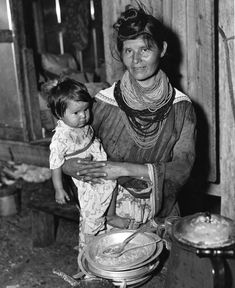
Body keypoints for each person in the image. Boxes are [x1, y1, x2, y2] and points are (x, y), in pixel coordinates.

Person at [62, 4, 197, 231]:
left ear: (162, 49)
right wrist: (70, 166)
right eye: (128, 51)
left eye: (145, 50)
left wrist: (123, 169)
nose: (136, 60)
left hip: (158, 212)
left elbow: (182, 167)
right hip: (107, 209)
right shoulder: (103, 103)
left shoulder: (181, 108)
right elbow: (67, 149)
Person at [42, 77, 117, 251]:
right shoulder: (61, 137)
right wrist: (59, 189)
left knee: (112, 185)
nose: (83, 116)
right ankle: (88, 246)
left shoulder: (82, 124)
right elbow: (55, 165)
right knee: (91, 212)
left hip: (99, 164)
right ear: (60, 115)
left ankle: (111, 217)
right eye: (76, 113)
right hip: (84, 177)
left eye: (86, 110)